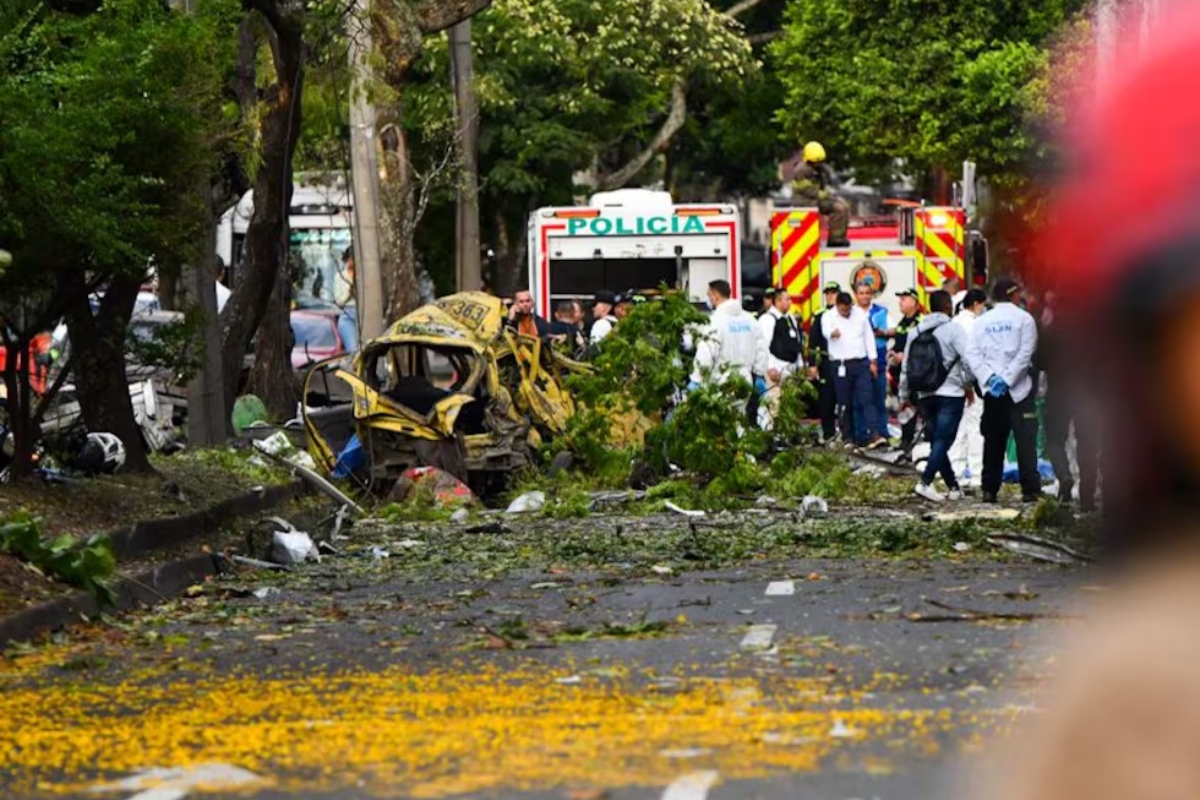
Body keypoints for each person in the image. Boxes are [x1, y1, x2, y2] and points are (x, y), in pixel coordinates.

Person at [965, 277, 1040, 503]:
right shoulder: (1025, 319)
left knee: (993, 442)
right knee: (1025, 442)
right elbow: (1026, 353)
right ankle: (1030, 490)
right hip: (1020, 391)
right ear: (1013, 294)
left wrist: (990, 378)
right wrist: (1008, 379)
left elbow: (972, 354)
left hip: (993, 393)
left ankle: (989, 490)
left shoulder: (981, 322)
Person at [899, 290, 974, 503]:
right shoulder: (954, 329)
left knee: (936, 442)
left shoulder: (915, 331)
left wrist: (904, 396)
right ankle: (925, 482)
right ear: (948, 306)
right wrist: (968, 385)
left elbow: (906, 367)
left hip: (925, 394)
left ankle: (953, 487)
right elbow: (968, 360)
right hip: (951, 393)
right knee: (943, 440)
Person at [1040, 297, 1099, 511]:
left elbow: (1039, 361)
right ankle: (1087, 497)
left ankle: (1064, 476)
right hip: (1086, 394)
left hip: (1058, 392)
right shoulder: (1092, 331)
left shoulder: (1049, 331)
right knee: (1087, 443)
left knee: (1055, 439)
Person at [822, 291, 886, 449]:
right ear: (837, 306)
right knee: (844, 402)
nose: (846, 313)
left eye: (848, 309)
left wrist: (873, 360)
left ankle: (874, 433)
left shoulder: (859, 315)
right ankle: (848, 436)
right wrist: (832, 333)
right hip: (840, 364)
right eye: (843, 310)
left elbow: (868, 337)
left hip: (860, 363)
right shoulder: (828, 316)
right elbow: (825, 331)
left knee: (866, 398)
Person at [690, 280, 764, 389]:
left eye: (709, 295)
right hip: (746, 381)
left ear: (715, 296)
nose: (708, 299)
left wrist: (697, 378)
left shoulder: (715, 322)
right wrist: (759, 374)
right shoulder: (750, 320)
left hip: (721, 382)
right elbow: (761, 348)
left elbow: (706, 352)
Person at [948, 288, 988, 488]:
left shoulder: (953, 323)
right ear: (976, 304)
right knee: (975, 427)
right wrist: (969, 384)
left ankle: (956, 471)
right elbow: (971, 357)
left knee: (958, 426)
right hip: (971, 383)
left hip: (952, 383)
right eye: (983, 305)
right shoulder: (976, 324)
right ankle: (977, 474)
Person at [786, 141, 851, 248]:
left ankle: (839, 238)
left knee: (844, 206)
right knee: (838, 208)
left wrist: (830, 192)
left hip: (816, 198)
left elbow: (826, 183)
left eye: (820, 161)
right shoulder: (801, 171)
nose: (818, 164)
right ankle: (835, 240)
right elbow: (806, 189)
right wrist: (823, 194)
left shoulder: (820, 169)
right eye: (815, 162)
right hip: (803, 201)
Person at [759, 289, 805, 429]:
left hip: (790, 368)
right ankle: (769, 433)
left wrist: (800, 364)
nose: (790, 302)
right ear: (778, 301)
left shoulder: (790, 318)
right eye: (787, 299)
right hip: (775, 369)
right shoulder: (768, 319)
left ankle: (786, 434)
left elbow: (797, 342)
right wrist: (770, 367)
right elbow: (763, 346)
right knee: (774, 405)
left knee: (789, 405)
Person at [889, 288, 923, 455]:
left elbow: (924, 346)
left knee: (919, 406)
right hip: (902, 374)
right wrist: (893, 353)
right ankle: (906, 440)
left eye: (904, 299)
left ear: (914, 302)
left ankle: (922, 440)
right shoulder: (902, 323)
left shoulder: (920, 322)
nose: (900, 302)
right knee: (905, 406)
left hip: (917, 372)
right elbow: (899, 344)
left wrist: (906, 355)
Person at [855, 281, 891, 442]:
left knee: (879, 400)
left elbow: (894, 329)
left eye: (867, 293)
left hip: (879, 362)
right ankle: (861, 434)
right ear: (856, 295)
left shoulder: (881, 312)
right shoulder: (851, 313)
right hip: (858, 364)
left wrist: (882, 332)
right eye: (861, 293)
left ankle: (882, 432)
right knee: (859, 402)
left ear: (872, 295)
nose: (864, 296)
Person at [807, 282, 841, 442]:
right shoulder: (820, 316)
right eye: (827, 293)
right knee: (826, 399)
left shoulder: (846, 314)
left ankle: (847, 433)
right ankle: (829, 433)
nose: (830, 296)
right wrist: (813, 364)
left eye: (833, 293)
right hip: (826, 362)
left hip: (844, 362)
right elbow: (813, 342)